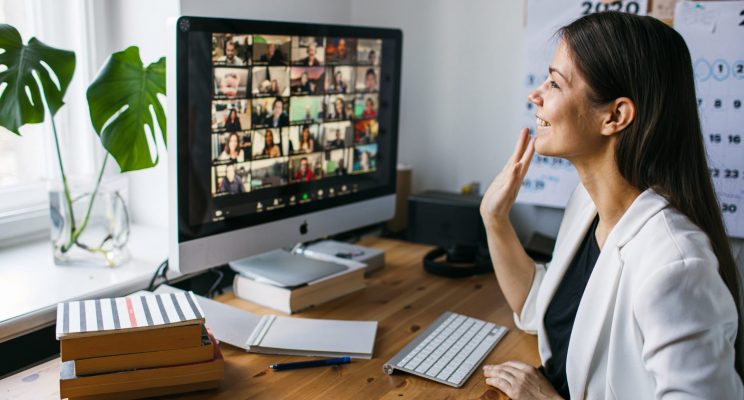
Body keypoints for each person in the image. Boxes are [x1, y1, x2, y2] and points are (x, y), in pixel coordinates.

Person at [479, 13, 743, 399]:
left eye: (555, 82)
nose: (535, 94)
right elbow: (542, 307)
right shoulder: (587, 204)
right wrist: (495, 218)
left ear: (615, 116)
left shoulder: (676, 265)